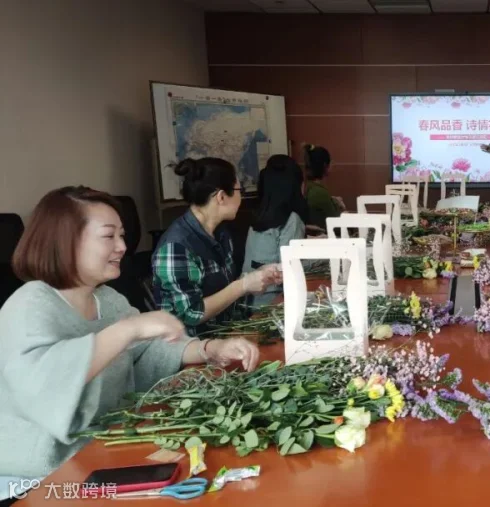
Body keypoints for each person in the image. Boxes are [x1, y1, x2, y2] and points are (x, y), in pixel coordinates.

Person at [0, 187, 260, 503]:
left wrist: (209, 349)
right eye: (108, 236)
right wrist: (128, 330)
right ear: (66, 241)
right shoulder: (28, 305)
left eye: (122, 235)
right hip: (41, 475)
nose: (122, 246)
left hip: (100, 448)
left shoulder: (108, 299)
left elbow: (148, 350)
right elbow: (44, 381)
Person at [152, 157, 281, 336]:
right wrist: (242, 286)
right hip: (194, 346)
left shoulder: (221, 233)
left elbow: (224, 289)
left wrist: (254, 278)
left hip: (227, 335)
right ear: (221, 197)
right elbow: (190, 313)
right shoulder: (176, 246)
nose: (241, 197)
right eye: (239, 191)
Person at [243, 155, 308, 307]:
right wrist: (323, 253)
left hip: (250, 300)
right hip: (273, 300)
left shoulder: (259, 215)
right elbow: (291, 266)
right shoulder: (292, 219)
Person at [303, 144, 345, 230]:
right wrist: (341, 209)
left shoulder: (308, 186)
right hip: (325, 234)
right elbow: (337, 225)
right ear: (325, 165)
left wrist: (333, 200)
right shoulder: (319, 192)